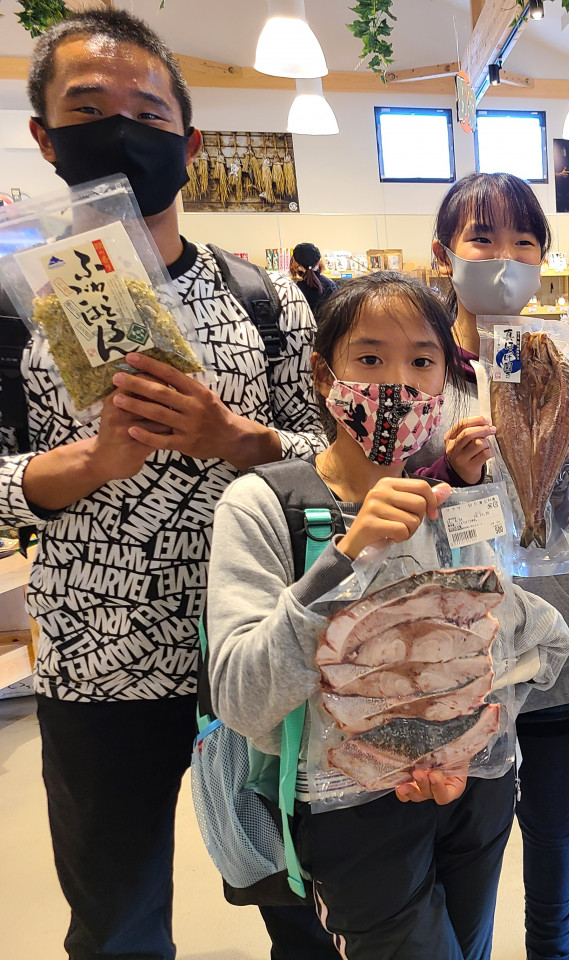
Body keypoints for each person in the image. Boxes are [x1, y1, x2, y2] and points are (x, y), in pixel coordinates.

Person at [4, 10, 335, 959]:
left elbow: (327, 451)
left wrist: (240, 438)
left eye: (146, 111)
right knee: (116, 919)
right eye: (87, 107)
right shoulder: (16, 296)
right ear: (44, 136)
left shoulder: (259, 296)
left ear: (186, 144)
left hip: (258, 640)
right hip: (96, 654)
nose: (118, 128)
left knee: (304, 897)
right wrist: (87, 464)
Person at [207, 271, 569, 959]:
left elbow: (528, 639)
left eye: (423, 362)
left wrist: (476, 743)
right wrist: (348, 556)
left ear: (447, 381)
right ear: (324, 375)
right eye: (370, 358)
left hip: (475, 797)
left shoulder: (454, 501)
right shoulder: (262, 506)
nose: (398, 383)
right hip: (346, 813)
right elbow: (241, 696)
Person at [418, 171, 569, 960]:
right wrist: (446, 476)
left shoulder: (560, 360)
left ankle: (551, 950)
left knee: (552, 817)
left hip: (554, 628)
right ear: (444, 254)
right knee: (463, 825)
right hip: (454, 641)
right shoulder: (420, 368)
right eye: (483, 239)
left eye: (525, 242)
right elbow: (387, 506)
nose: (506, 257)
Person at [291, 241, 338, 314]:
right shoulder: (331, 285)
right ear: (318, 262)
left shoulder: (297, 289)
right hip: (328, 325)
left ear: (297, 264)